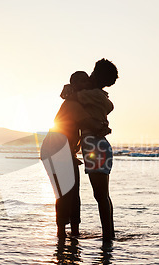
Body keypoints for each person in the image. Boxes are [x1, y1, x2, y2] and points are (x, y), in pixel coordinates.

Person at [51, 80, 109, 239]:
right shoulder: (74, 105)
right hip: (58, 150)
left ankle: (73, 231)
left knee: (72, 191)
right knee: (66, 193)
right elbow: (92, 123)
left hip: (63, 150)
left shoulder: (74, 102)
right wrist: (103, 127)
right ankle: (62, 233)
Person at [80, 59, 118, 242]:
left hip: (95, 146)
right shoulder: (100, 96)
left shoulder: (93, 95)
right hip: (99, 145)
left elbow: (71, 96)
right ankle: (109, 233)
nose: (91, 74)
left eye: (93, 72)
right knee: (103, 195)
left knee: (101, 196)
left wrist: (72, 86)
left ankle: (108, 236)